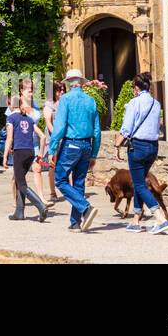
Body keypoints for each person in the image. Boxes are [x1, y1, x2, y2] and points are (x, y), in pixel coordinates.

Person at [47, 69, 102, 232]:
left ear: (68, 84)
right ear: (82, 83)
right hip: (87, 145)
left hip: (71, 144)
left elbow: (59, 126)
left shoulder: (65, 99)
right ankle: (75, 222)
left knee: (60, 180)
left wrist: (52, 148)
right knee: (78, 183)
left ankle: (86, 208)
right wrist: (94, 153)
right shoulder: (91, 101)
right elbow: (97, 130)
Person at [115, 71, 168, 234]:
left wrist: (116, 146)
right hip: (153, 147)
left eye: (133, 87)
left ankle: (159, 218)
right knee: (139, 182)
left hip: (137, 147)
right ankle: (136, 219)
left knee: (139, 184)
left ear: (137, 88)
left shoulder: (134, 103)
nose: (133, 90)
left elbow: (126, 128)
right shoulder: (156, 103)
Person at [4, 95, 49, 222]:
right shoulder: (29, 119)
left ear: (11, 105)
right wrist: (40, 153)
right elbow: (43, 136)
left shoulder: (11, 118)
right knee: (20, 180)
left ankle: (41, 206)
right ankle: (19, 211)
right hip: (30, 153)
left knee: (22, 184)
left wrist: (5, 156)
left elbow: (10, 138)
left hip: (19, 152)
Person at [36, 80, 64, 203]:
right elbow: (48, 123)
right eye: (59, 90)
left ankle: (71, 190)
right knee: (53, 165)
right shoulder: (49, 105)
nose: (62, 92)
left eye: (63, 89)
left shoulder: (65, 102)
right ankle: (53, 192)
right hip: (53, 138)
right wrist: (58, 136)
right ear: (54, 91)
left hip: (65, 137)